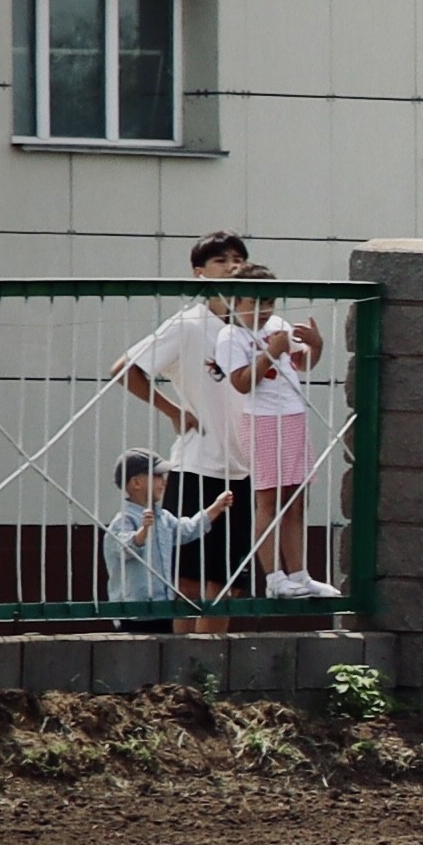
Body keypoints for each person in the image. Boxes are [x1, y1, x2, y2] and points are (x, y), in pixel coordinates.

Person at [110, 232, 257, 603]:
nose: (232, 267)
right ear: (199, 273)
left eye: (238, 259)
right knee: (189, 579)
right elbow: (126, 369)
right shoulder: (189, 324)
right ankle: (188, 658)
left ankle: (215, 657)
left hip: (247, 465)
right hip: (199, 466)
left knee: (231, 581)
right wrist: (173, 410)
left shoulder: (254, 326)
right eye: (221, 261)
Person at [215, 265, 327, 595]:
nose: (265, 310)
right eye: (256, 302)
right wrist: (271, 352)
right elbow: (242, 383)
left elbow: (302, 363)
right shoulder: (230, 336)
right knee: (269, 501)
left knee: (296, 500)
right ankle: (274, 578)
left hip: (293, 415)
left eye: (270, 302)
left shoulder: (277, 326)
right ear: (235, 301)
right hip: (263, 420)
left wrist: (316, 345)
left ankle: (300, 576)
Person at [105, 449, 225, 630]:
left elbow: (187, 530)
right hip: (134, 612)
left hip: (163, 607)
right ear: (136, 482)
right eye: (157, 476)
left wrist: (215, 508)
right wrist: (143, 531)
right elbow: (125, 548)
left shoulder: (163, 517)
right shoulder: (124, 520)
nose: (164, 481)